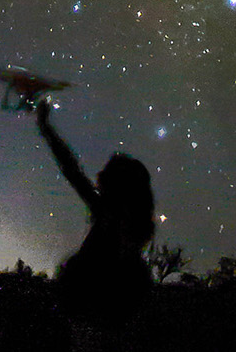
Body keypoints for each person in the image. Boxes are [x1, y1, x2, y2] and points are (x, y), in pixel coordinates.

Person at [35, 98, 155, 329]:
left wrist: (46, 128)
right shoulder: (130, 220)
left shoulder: (113, 216)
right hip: (109, 304)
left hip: (98, 301)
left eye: (106, 175)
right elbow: (73, 171)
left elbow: (72, 171)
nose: (99, 177)